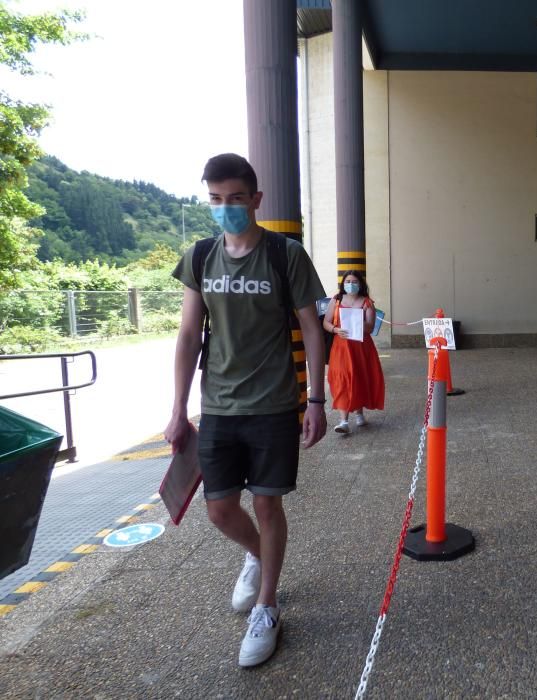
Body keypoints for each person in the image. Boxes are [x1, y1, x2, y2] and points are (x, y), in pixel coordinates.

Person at [164, 153, 327, 667]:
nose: (227, 208)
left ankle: (268, 606)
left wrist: (317, 399)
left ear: (256, 200)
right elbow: (189, 334)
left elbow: (312, 328)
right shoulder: (200, 257)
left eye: (236, 198)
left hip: (275, 403)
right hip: (218, 406)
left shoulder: (285, 254)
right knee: (217, 508)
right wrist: (177, 408)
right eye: (216, 200)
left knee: (267, 504)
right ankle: (257, 554)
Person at [322, 270, 385, 434]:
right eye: (348, 281)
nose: (351, 284)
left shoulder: (367, 303)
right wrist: (336, 329)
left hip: (361, 347)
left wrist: (358, 323)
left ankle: (359, 412)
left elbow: (371, 327)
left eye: (354, 281)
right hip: (341, 347)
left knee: (359, 377)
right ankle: (343, 421)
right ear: (343, 284)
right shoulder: (336, 301)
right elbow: (326, 323)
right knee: (342, 379)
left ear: (361, 284)